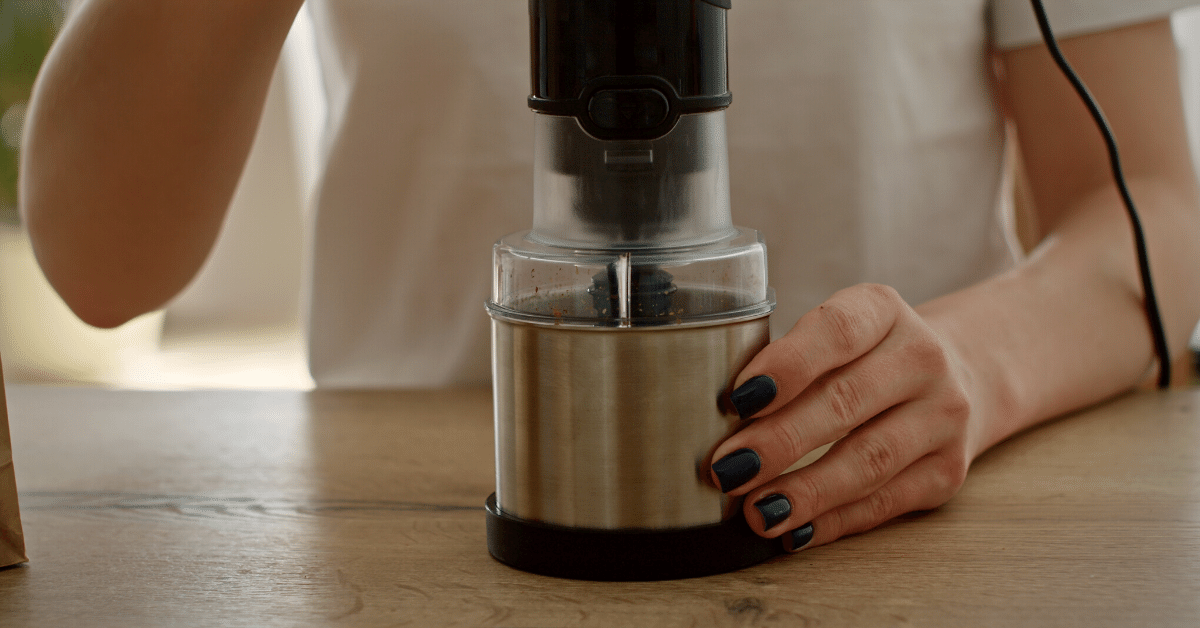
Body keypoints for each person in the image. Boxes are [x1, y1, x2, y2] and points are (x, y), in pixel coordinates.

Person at [18, 0, 1200, 552]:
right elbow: (97, 259)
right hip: (402, 552)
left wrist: (971, 372)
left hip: (889, 539)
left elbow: (1155, 210)